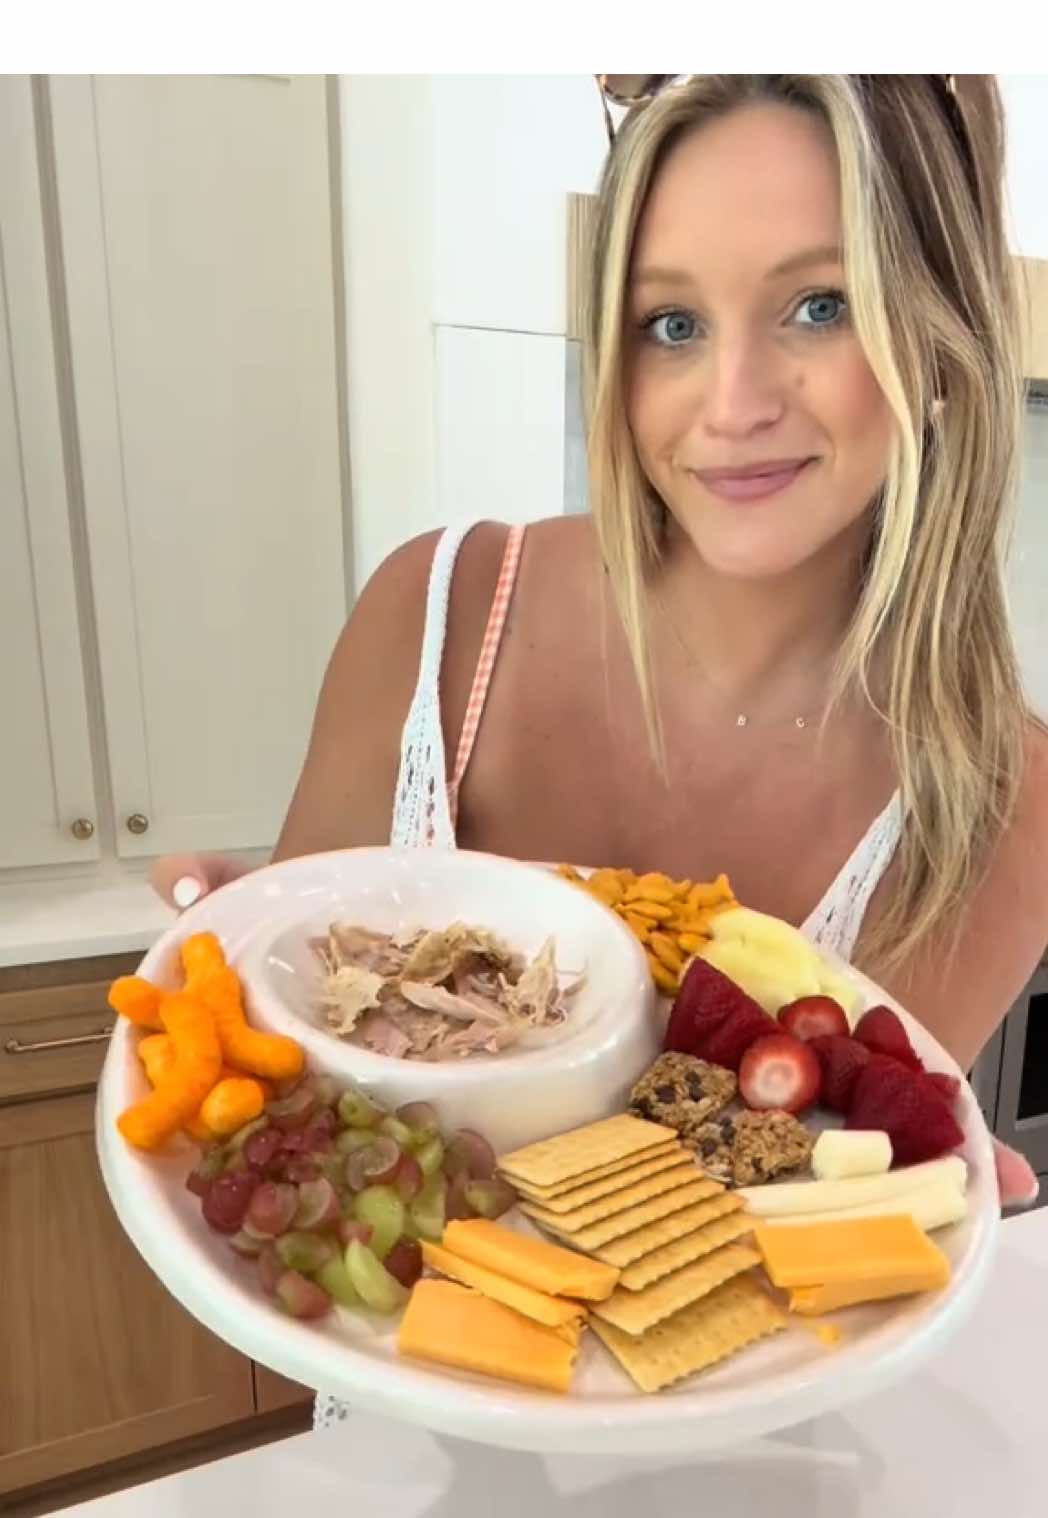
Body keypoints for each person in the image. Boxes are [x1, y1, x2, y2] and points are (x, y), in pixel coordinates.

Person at [155, 76, 1046, 1225]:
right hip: (384, 1399)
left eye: (818, 305)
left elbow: (808, 1224)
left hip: (767, 1408)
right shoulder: (436, 616)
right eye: (671, 325)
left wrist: (916, 1206)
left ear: (938, 339)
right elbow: (274, 1119)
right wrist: (228, 1017)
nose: (730, 405)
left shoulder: (1002, 801)